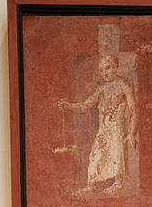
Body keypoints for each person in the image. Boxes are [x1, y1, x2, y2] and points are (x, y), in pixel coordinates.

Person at [58, 55, 138, 195]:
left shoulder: (125, 84)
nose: (104, 73)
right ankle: (91, 185)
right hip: (103, 129)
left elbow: (134, 111)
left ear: (115, 67)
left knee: (116, 154)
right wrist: (68, 105)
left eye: (107, 68)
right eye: (101, 70)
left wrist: (132, 133)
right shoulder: (102, 89)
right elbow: (85, 106)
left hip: (117, 128)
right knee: (95, 157)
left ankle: (118, 183)